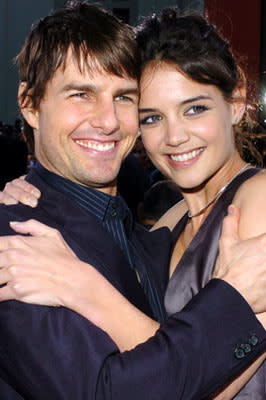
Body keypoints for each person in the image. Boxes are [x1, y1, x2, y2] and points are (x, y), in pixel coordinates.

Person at [0, 3, 266, 400]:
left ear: (237, 104)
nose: (108, 121)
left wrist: (83, 287)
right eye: (152, 117)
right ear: (30, 105)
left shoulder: (255, 200)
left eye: (124, 98)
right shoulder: (23, 242)